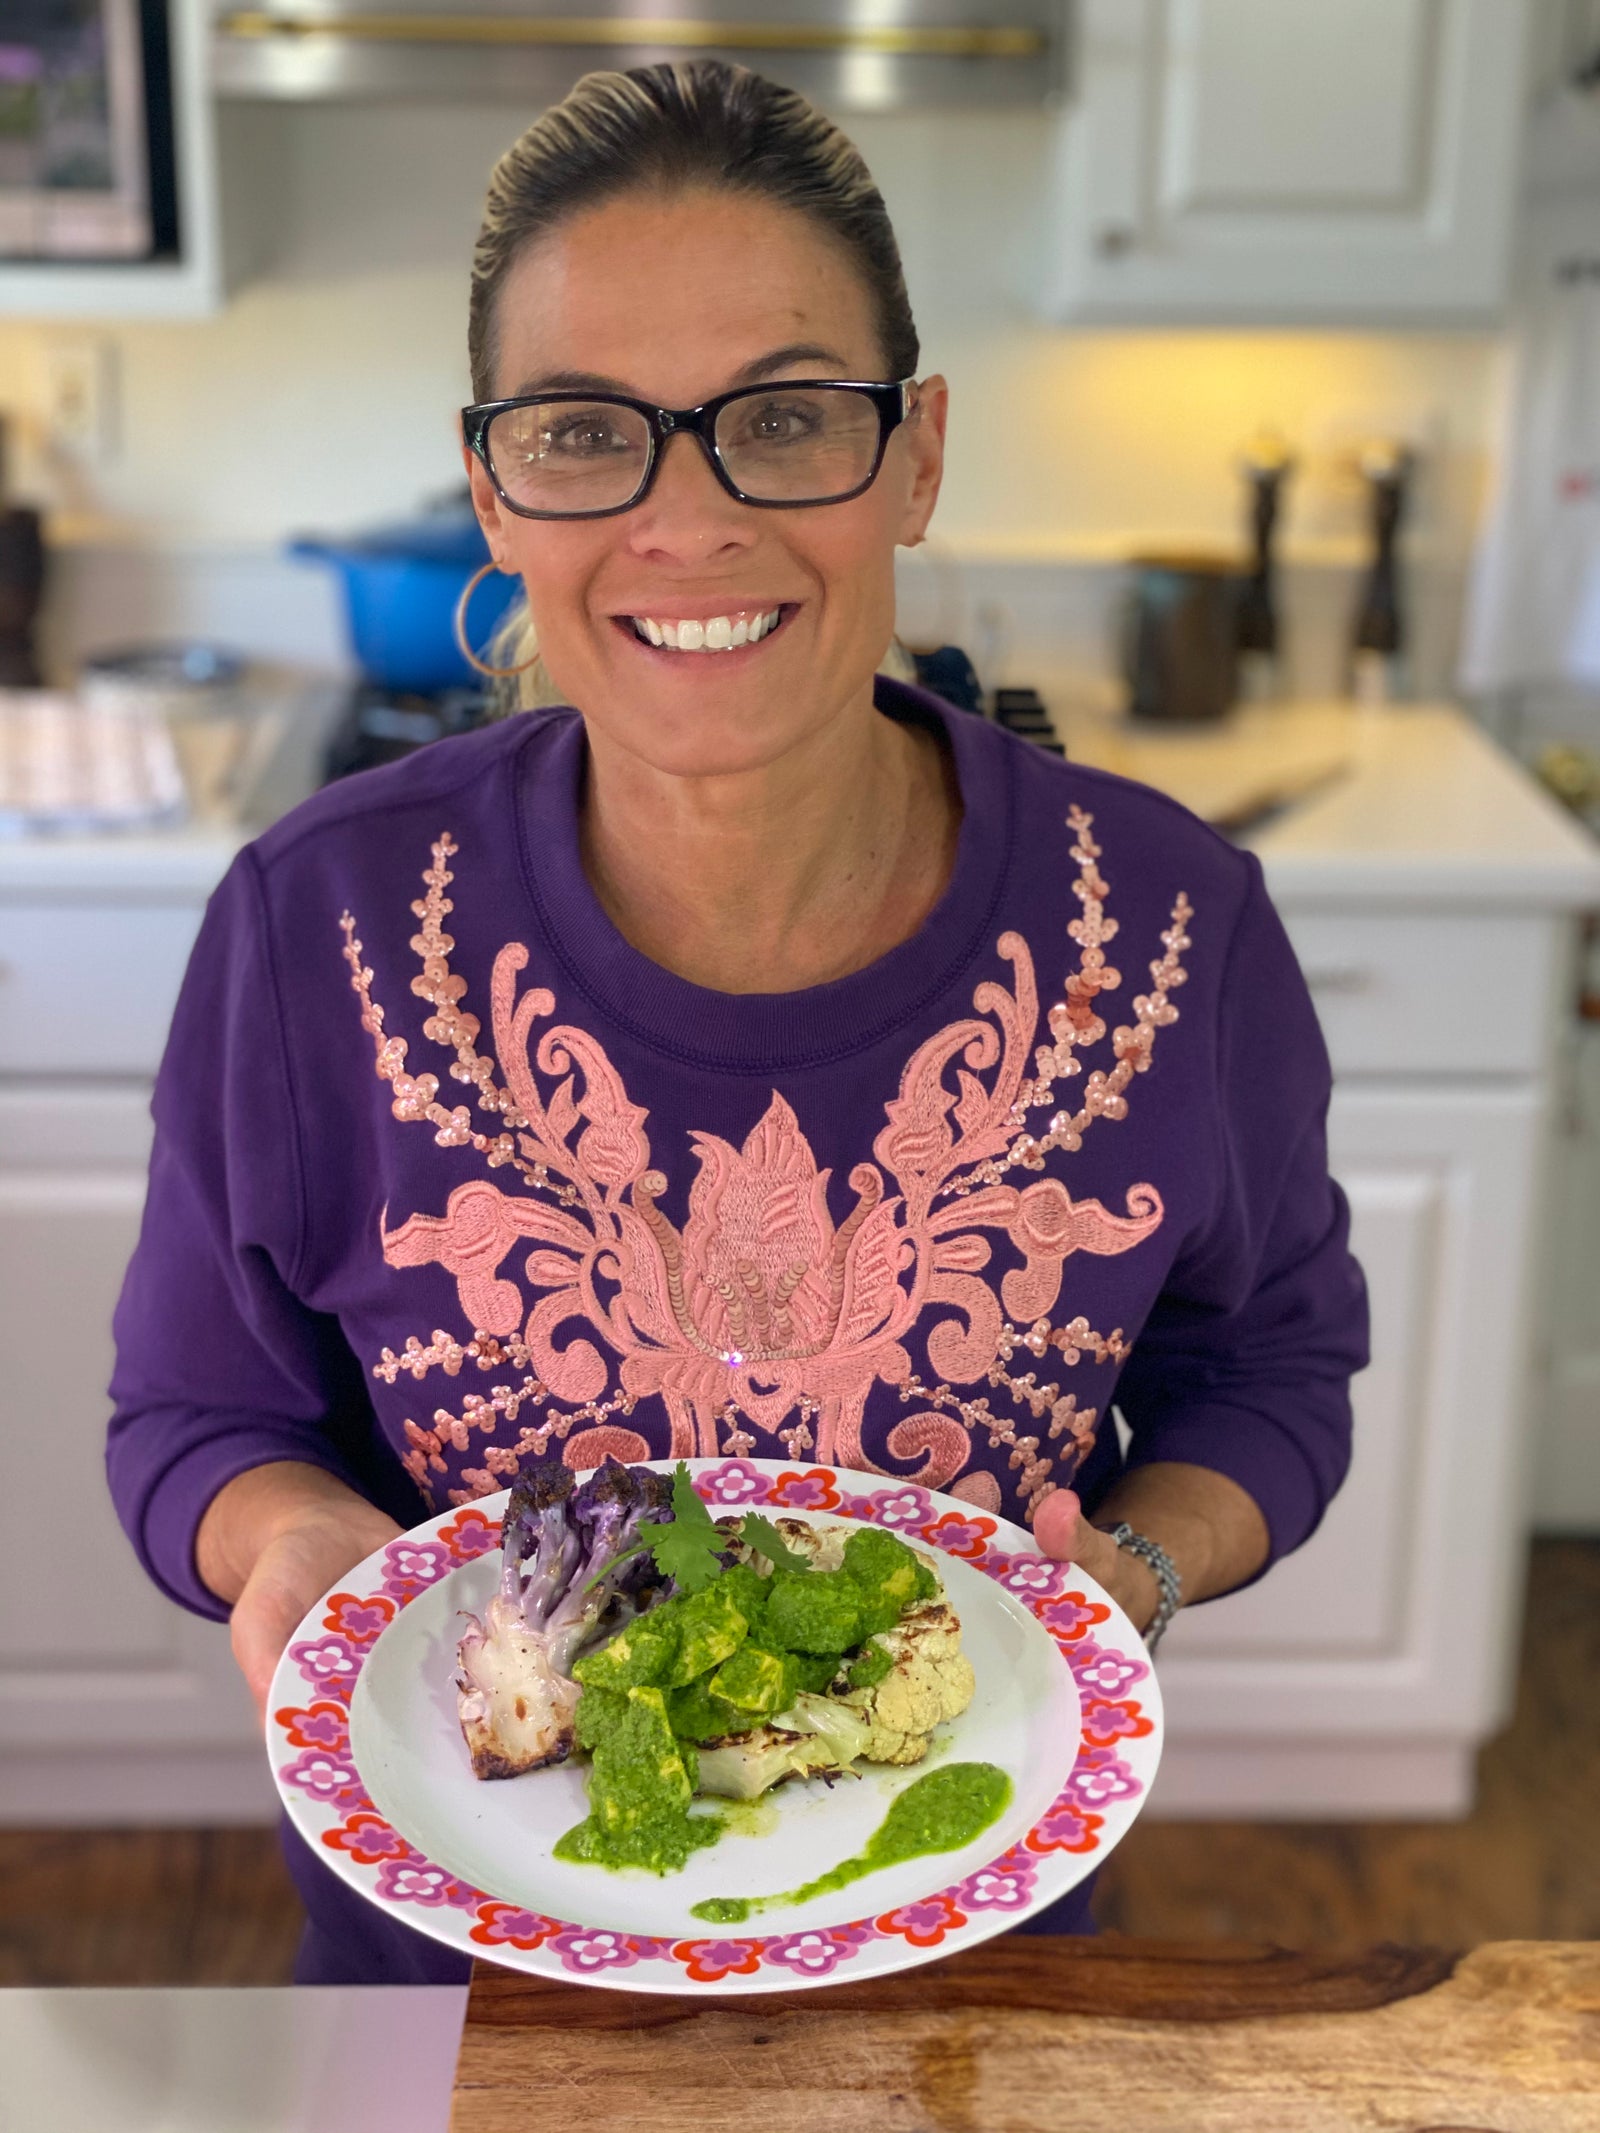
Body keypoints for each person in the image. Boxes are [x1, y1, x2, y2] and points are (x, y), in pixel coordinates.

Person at [108, 60, 1368, 1983]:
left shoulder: (1176, 928)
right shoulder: (317, 927)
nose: (686, 520)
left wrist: (1140, 1567)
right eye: (584, 430)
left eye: (784, 419)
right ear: (492, 489)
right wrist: (286, 1542)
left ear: (917, 454)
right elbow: (200, 1416)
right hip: (460, 1980)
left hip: (977, 1968)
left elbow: (1271, 1372)